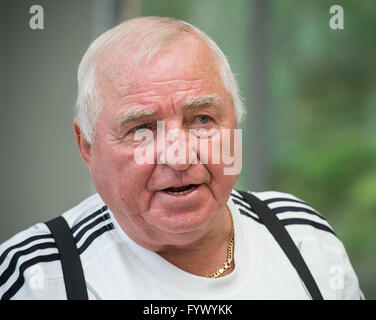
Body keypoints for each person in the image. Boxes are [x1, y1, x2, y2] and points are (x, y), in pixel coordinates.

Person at [0, 16, 363, 300]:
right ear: (88, 146)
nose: (179, 156)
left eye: (202, 119)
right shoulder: (37, 277)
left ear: (236, 123)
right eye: (142, 127)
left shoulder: (301, 235)